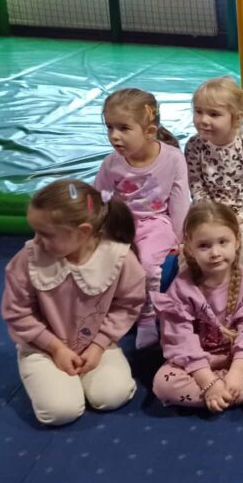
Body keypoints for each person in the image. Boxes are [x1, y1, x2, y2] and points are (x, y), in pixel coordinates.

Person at [2, 179, 145, 426]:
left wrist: (99, 345)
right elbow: (17, 313)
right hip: (43, 348)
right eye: (35, 231)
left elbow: (127, 305)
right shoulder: (28, 260)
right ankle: (46, 374)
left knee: (113, 395)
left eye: (46, 234)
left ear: (83, 231)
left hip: (96, 344)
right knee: (60, 411)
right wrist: (56, 349)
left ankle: (75, 376)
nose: (37, 241)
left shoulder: (119, 257)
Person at [152, 201, 243, 420]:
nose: (215, 253)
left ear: (237, 241)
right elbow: (180, 340)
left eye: (223, 242)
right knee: (163, 384)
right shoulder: (181, 288)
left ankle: (221, 393)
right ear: (190, 248)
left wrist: (237, 371)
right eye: (204, 246)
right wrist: (208, 381)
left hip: (236, 355)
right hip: (198, 361)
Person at [95, 88, 189, 349]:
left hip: (155, 223)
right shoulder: (111, 163)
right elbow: (99, 199)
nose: (114, 136)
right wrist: (94, 233)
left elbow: (180, 200)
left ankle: (147, 318)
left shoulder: (172, 158)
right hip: (121, 223)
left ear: (149, 131)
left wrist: (183, 240)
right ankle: (106, 313)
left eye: (124, 128)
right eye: (110, 127)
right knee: (102, 260)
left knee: (147, 266)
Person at [184, 76, 243, 279]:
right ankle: (196, 295)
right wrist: (212, 216)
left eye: (214, 114)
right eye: (198, 111)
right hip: (209, 212)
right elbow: (197, 186)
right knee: (190, 253)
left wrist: (238, 218)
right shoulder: (194, 145)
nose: (203, 120)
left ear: (236, 117)